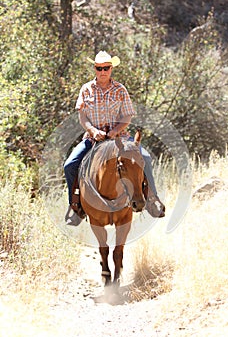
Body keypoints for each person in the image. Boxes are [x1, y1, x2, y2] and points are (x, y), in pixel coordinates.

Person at [64, 51, 165, 222]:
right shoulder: (86, 89)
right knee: (70, 165)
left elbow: (127, 116)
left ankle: (151, 200)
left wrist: (116, 130)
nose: (102, 71)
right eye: (99, 68)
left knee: (146, 158)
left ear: (111, 69)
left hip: (120, 138)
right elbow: (82, 116)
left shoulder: (120, 90)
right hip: (93, 139)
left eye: (106, 68)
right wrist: (92, 131)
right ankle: (75, 206)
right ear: (95, 69)